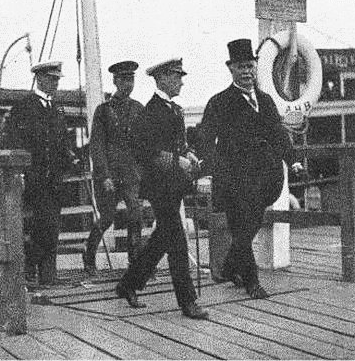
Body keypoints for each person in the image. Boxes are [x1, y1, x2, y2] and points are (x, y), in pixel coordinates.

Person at [198, 39, 302, 299]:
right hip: (233, 178)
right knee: (241, 229)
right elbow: (205, 139)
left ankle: (229, 267)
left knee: (249, 227)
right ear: (230, 69)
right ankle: (252, 283)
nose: (246, 72)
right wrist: (208, 172)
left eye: (250, 66)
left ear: (256, 67)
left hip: (264, 180)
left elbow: (278, 134)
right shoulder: (219, 102)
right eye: (241, 67)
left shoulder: (265, 101)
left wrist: (293, 161)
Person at [115, 58, 208, 320]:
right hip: (159, 188)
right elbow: (143, 150)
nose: (181, 82)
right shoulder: (151, 112)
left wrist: (188, 154)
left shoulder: (174, 109)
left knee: (161, 240)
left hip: (174, 185)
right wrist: (176, 160)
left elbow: (178, 144)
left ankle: (128, 284)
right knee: (177, 242)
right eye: (177, 77)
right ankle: (188, 302)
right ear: (162, 78)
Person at [8, 61, 77, 285]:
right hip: (34, 178)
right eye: (51, 79)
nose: (56, 83)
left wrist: (72, 157)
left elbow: (63, 140)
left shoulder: (57, 108)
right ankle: (30, 268)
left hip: (54, 178)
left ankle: (48, 274)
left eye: (57, 79)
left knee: (52, 225)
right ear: (39, 79)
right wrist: (21, 172)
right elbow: (15, 142)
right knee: (39, 226)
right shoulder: (23, 107)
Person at [83, 60, 144, 275]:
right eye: (124, 80)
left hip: (130, 174)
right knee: (107, 217)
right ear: (115, 81)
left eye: (131, 79)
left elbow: (143, 144)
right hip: (109, 175)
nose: (128, 84)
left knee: (135, 215)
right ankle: (89, 255)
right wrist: (104, 175)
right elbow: (97, 145)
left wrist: (141, 172)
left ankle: (135, 262)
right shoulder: (103, 111)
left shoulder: (138, 109)